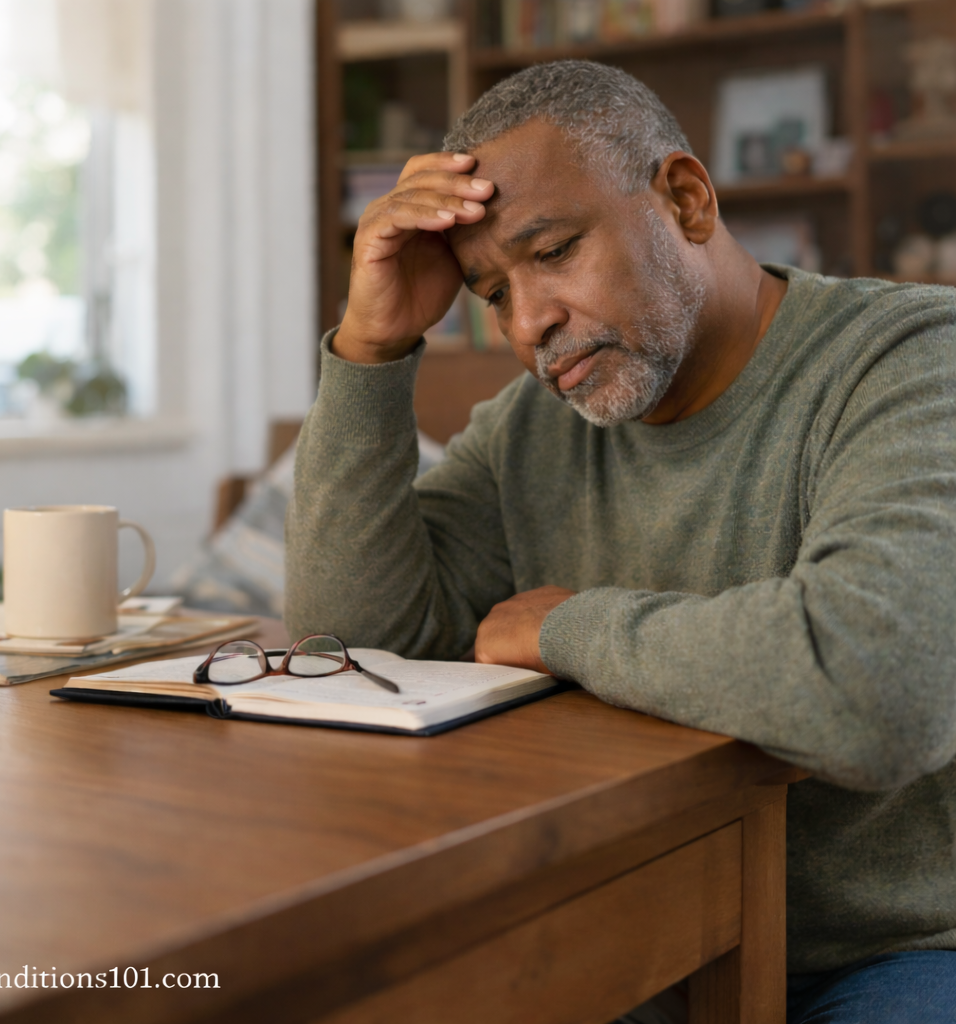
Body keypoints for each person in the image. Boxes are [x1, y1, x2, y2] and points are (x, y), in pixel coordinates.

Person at [285, 60, 956, 1023]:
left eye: (553, 250)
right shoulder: (532, 425)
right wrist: (371, 345)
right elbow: (345, 647)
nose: (529, 324)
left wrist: (570, 628)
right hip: (645, 922)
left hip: (902, 950)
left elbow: (880, 688)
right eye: (491, 293)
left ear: (685, 198)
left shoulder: (915, 359)